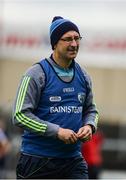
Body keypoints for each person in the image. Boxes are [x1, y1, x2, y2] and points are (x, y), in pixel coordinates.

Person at [12, 16, 99, 179]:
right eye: (67, 39)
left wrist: (89, 126)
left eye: (76, 38)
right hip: (38, 161)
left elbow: (91, 110)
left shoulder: (84, 76)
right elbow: (19, 115)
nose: (74, 44)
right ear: (54, 43)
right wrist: (57, 132)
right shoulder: (36, 74)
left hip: (73, 161)